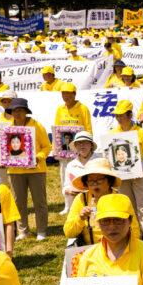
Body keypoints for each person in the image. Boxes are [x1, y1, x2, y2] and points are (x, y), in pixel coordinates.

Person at [1, 98, 52, 241]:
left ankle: (41, 230)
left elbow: (47, 146)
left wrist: (38, 157)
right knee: (19, 202)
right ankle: (23, 230)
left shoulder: (37, 126)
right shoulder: (6, 128)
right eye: (14, 110)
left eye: (20, 110)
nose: (17, 113)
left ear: (25, 112)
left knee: (39, 201)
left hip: (36, 170)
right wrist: (3, 159)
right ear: (10, 112)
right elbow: (4, 149)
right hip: (15, 171)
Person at [109, 101, 143, 247]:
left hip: (140, 174)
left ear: (130, 115)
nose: (119, 118)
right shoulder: (113, 133)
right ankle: (134, 233)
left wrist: (141, 167)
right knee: (127, 204)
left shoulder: (141, 132)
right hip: (122, 176)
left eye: (121, 115)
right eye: (117, 115)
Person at [64, 160, 142, 245]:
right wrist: (80, 218)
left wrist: (131, 248)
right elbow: (68, 232)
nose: (95, 184)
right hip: (90, 250)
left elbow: (134, 230)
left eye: (99, 180)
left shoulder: (121, 199)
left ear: (109, 181)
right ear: (86, 183)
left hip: (118, 248)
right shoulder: (81, 199)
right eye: (90, 180)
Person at [54, 81, 93, 212]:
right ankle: (67, 205)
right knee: (65, 175)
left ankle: (85, 199)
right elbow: (57, 129)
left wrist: (88, 146)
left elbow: (88, 128)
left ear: (74, 94)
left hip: (80, 147)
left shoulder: (83, 108)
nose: (66, 96)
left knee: (81, 174)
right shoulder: (60, 109)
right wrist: (58, 147)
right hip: (65, 149)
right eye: (63, 93)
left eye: (68, 94)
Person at [61, 131, 98, 213]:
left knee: (96, 222)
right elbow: (66, 186)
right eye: (79, 143)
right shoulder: (71, 165)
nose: (82, 145)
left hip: (98, 202)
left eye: (85, 142)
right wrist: (68, 191)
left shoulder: (100, 161)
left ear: (91, 145)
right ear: (75, 146)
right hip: (78, 202)